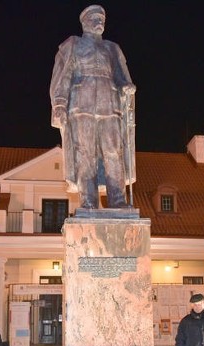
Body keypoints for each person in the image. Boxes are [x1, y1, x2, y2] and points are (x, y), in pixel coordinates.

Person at [50, 4, 136, 209]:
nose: (100, 23)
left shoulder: (112, 48)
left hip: (110, 104)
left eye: (102, 20)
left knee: (114, 150)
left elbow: (121, 76)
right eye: (95, 19)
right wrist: (60, 104)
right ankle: (88, 200)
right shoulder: (73, 45)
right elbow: (63, 76)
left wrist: (126, 87)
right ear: (84, 22)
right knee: (85, 152)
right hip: (81, 105)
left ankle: (117, 199)